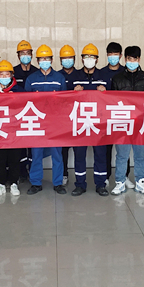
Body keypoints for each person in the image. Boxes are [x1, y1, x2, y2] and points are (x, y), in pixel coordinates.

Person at [110, 46, 144, 195]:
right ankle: (120, 182)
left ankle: (140, 182)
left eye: (135, 59)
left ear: (139, 59)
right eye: (129, 58)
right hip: (122, 122)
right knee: (122, 155)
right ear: (125, 59)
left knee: (140, 155)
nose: (132, 61)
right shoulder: (117, 79)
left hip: (141, 123)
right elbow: (111, 101)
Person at [24, 44, 67, 195]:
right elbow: (25, 101)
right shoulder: (31, 79)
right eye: (41, 59)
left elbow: (65, 101)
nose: (44, 61)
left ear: (52, 60)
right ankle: (36, 183)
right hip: (37, 122)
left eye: (47, 58)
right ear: (37, 60)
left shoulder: (59, 78)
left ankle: (58, 183)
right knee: (36, 154)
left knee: (57, 154)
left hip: (55, 123)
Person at [69, 44, 110, 197]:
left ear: (97, 59)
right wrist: (73, 92)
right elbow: (66, 99)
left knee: (100, 154)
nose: (89, 59)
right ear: (81, 59)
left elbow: (113, 99)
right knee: (79, 155)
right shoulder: (74, 76)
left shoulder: (104, 76)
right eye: (86, 57)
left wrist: (105, 92)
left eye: (92, 57)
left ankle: (101, 184)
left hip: (99, 122)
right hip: (80, 122)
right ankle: (80, 184)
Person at [99, 42, 133, 186]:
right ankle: (105, 176)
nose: (113, 57)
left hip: (122, 116)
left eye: (115, 54)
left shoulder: (127, 71)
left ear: (120, 56)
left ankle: (124, 176)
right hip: (105, 116)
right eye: (110, 54)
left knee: (123, 149)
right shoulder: (101, 73)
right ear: (107, 55)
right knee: (106, 148)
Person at [0, 61, 24, 197]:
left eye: (7, 74)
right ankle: (1, 184)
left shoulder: (19, 90)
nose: (4, 77)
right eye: (1, 74)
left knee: (14, 158)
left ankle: (14, 183)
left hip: (14, 130)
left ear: (12, 75)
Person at [13, 40, 38, 182]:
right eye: (22, 53)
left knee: (33, 144)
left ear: (32, 55)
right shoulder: (12, 72)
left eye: (28, 53)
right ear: (18, 56)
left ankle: (32, 171)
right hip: (17, 113)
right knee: (20, 145)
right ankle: (22, 172)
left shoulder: (36, 72)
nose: (25, 56)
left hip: (33, 113)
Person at [58, 45, 80, 186]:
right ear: (60, 60)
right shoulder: (57, 76)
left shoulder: (80, 75)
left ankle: (79, 177)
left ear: (74, 59)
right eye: (64, 58)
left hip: (78, 118)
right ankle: (64, 174)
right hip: (62, 119)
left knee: (78, 150)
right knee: (63, 150)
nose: (67, 60)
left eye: (70, 58)